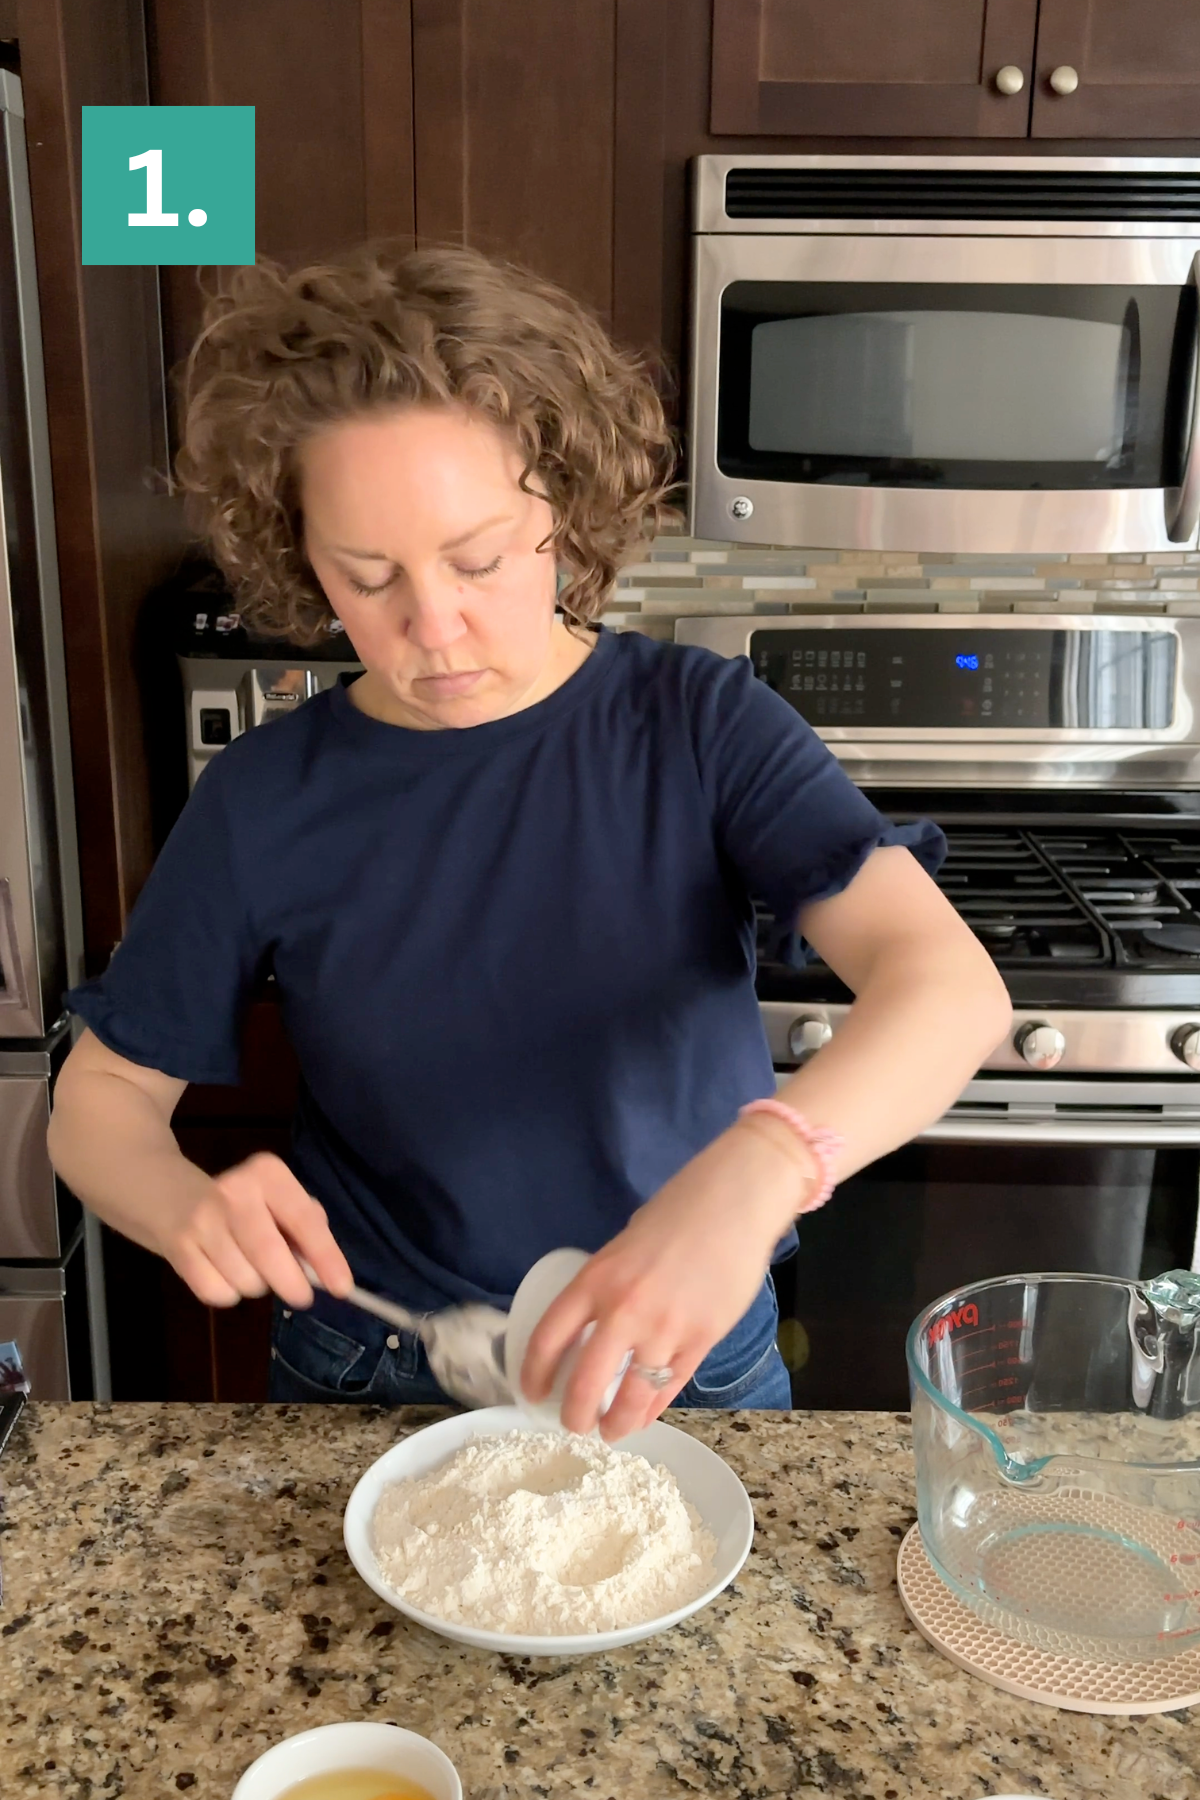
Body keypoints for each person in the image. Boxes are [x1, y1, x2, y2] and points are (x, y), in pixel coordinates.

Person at [47, 242, 1012, 1442]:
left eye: (479, 559)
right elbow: (99, 1104)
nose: (432, 627)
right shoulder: (262, 798)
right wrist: (181, 1202)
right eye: (368, 575)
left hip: (681, 1351)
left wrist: (762, 1168)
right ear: (302, 556)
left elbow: (951, 988)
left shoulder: (700, 726)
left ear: (563, 506)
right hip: (375, 1351)